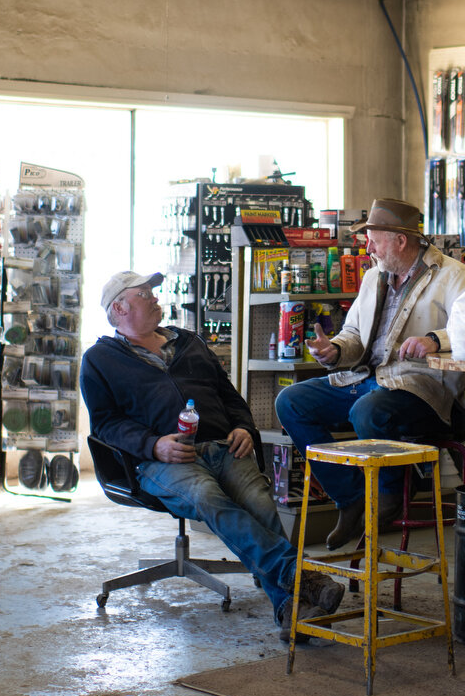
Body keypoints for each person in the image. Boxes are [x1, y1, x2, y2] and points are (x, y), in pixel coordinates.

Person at [80, 270, 345, 637]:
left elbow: (229, 395)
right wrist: (153, 444)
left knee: (260, 503)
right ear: (120, 308)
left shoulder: (189, 342)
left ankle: (289, 607)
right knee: (208, 497)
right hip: (161, 460)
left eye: (154, 293)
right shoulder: (99, 359)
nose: (156, 299)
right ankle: (298, 577)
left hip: (224, 446)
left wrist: (242, 427)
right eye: (145, 294)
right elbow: (105, 423)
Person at [273, 199, 465, 549]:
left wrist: (433, 340)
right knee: (291, 402)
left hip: (422, 388)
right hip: (366, 380)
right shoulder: (373, 277)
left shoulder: (454, 275)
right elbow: (354, 335)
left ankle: (390, 492)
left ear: (400, 240)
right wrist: (334, 350)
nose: (368, 248)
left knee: (368, 412)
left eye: (375, 240)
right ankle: (351, 498)